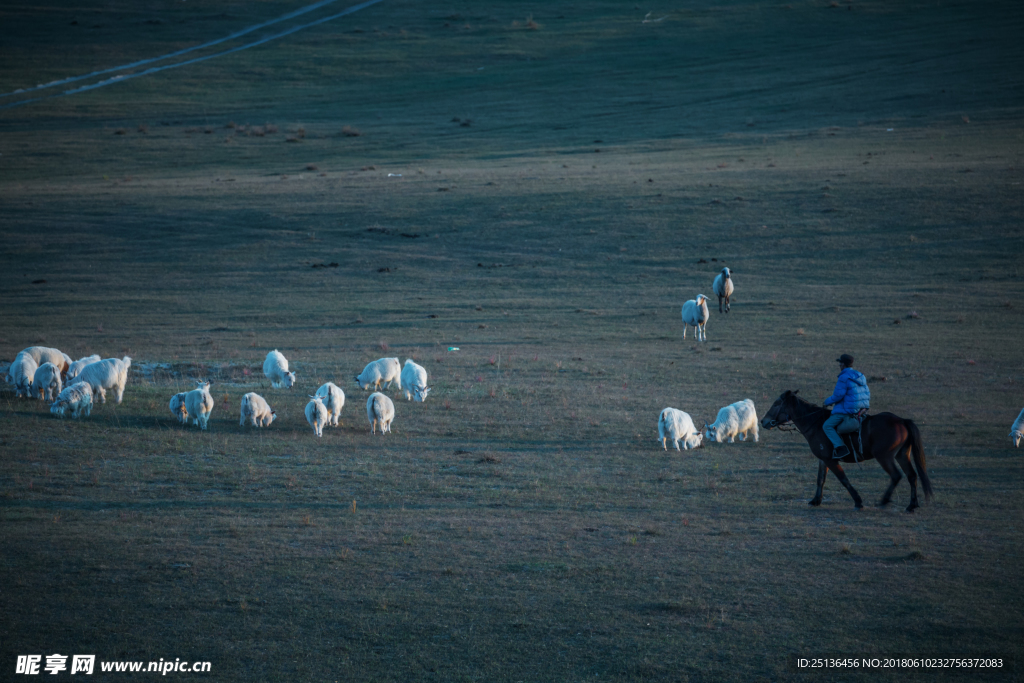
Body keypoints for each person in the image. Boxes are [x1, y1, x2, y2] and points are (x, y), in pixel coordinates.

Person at [822, 353, 870, 459]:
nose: (839, 365)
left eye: (840, 363)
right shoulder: (861, 376)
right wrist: (865, 407)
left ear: (843, 364)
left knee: (827, 426)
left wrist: (826, 402)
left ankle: (841, 447)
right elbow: (866, 393)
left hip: (846, 411)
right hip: (860, 410)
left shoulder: (844, 377)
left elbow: (838, 395)